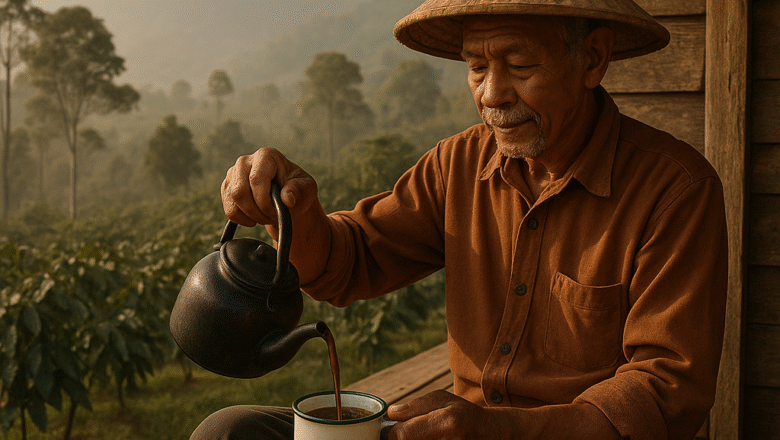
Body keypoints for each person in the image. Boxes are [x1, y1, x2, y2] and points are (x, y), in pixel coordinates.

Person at [191, 0, 728, 439]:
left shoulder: (675, 191)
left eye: (519, 67)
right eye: (476, 68)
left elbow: (665, 392)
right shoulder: (459, 164)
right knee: (230, 430)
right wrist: (297, 213)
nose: (491, 95)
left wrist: (502, 431)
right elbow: (348, 260)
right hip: (454, 431)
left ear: (591, 59)